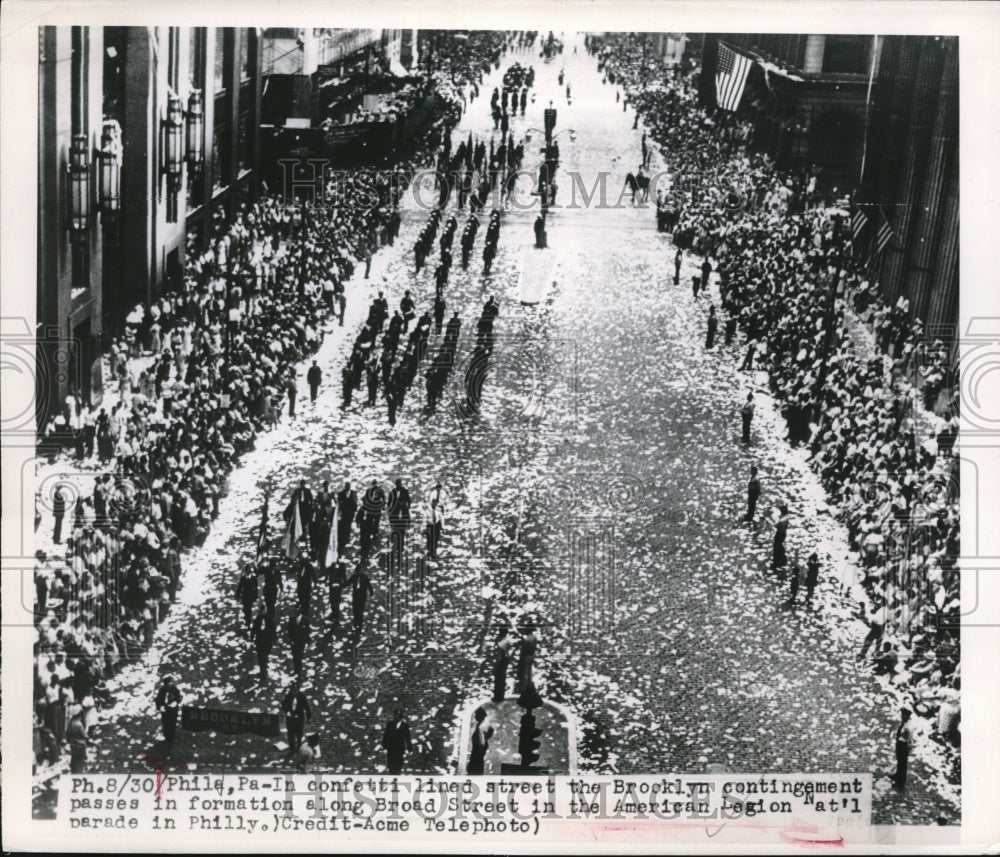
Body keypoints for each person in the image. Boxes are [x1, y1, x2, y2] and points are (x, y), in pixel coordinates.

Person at [280, 681, 313, 758]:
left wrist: (309, 718)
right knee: (290, 734)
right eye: (293, 689)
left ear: (298, 689)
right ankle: (292, 749)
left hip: (299, 718)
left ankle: (298, 749)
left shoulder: (302, 696)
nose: (294, 691)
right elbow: (283, 705)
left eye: (295, 689)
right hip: (290, 718)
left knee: (299, 734)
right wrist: (287, 711)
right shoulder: (288, 696)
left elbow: (307, 707)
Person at [382, 709, 412, 775]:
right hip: (391, 748)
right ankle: (391, 776)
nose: (397, 717)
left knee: (398, 764)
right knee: (391, 764)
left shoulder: (405, 726)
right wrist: (385, 747)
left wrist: (410, 749)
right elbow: (386, 736)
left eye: (399, 716)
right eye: (396, 716)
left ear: (401, 717)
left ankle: (397, 776)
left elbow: (408, 738)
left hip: (400, 748)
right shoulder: (390, 724)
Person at [251, 607, 277, 682]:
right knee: (260, 656)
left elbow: (273, 629)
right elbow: (254, 628)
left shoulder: (269, 618)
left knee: (265, 656)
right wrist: (252, 637)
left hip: (267, 640)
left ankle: (264, 670)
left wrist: (274, 638)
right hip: (260, 640)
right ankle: (263, 670)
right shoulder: (258, 618)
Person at [154, 675, 181, 747]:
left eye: (170, 683)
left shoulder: (175, 689)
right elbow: (158, 699)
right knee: (165, 723)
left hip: (173, 709)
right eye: (167, 683)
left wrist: (175, 702)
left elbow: (179, 698)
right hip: (165, 709)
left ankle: (171, 738)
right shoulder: (162, 690)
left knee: (172, 723)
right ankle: (167, 737)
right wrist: (160, 707)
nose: (168, 685)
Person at [467, 707, 494, 775]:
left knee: (474, 771)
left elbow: (482, 743)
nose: (475, 716)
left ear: (480, 715)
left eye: (476, 714)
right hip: (478, 753)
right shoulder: (482, 725)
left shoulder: (481, 727)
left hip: (477, 753)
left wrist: (479, 753)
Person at [891, 709, 912, 789]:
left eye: (905, 715)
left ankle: (900, 782)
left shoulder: (908, 727)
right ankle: (897, 775)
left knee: (903, 764)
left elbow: (910, 740)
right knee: (899, 761)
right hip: (899, 743)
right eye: (902, 714)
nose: (903, 716)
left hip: (904, 746)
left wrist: (908, 750)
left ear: (908, 716)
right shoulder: (903, 723)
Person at [349, 567, 374, 634]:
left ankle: (359, 624)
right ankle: (355, 623)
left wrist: (371, 592)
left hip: (362, 596)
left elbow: (369, 585)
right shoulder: (354, 577)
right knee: (355, 610)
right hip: (356, 596)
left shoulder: (364, 577)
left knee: (360, 610)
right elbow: (348, 583)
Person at [493, 627, 515, 702]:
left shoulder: (502, 640)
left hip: (502, 660)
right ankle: (499, 695)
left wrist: (497, 664)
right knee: (501, 679)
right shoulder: (505, 639)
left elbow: (500, 653)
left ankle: (498, 696)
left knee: (499, 679)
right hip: (504, 660)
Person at [235, 563, 259, 631]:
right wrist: (238, 595)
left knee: (249, 609)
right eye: (247, 570)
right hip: (245, 596)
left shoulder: (254, 578)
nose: (249, 571)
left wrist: (255, 596)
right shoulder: (243, 578)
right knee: (246, 609)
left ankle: (248, 622)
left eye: (249, 570)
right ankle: (247, 620)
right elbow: (240, 587)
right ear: (246, 571)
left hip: (250, 596)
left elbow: (256, 587)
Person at [67, 705, 88, 773]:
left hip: (73, 744)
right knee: (80, 762)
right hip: (80, 745)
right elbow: (85, 736)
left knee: (74, 761)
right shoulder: (79, 724)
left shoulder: (70, 722)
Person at [771, 504, 789, 575]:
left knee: (777, 545)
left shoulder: (783, 519)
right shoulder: (786, 517)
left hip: (780, 533)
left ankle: (779, 559)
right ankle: (782, 558)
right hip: (783, 533)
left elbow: (777, 525)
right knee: (779, 545)